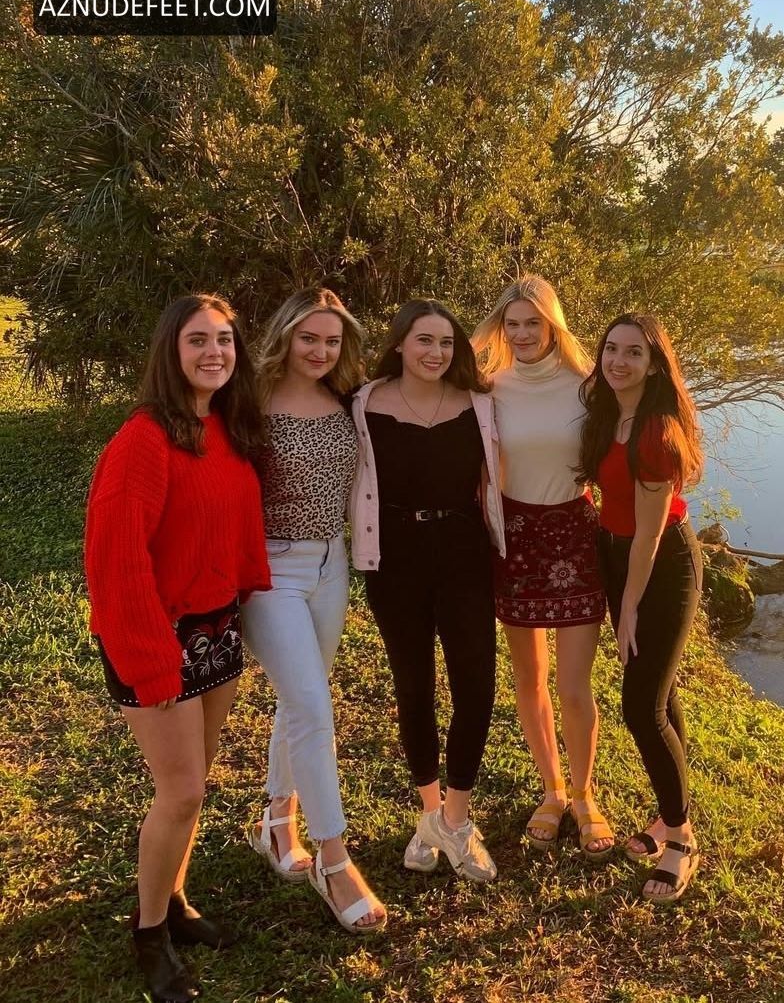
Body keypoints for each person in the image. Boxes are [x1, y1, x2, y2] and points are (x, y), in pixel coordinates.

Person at [85, 294, 271, 1003]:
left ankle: (176, 898)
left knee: (197, 782)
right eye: (198, 340)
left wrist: (242, 589)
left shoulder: (222, 428)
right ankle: (149, 933)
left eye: (224, 339)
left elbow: (231, 517)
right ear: (171, 350)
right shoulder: (143, 440)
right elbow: (116, 562)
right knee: (182, 790)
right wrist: (152, 662)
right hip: (156, 638)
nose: (214, 352)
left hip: (215, 629)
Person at [241, 286, 386, 933]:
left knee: (302, 699)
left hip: (332, 564)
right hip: (270, 569)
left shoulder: (347, 397)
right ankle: (334, 858)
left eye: (331, 340)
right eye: (309, 338)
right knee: (313, 708)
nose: (321, 350)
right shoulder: (248, 402)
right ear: (286, 335)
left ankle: (277, 820)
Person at [350, 299, 505, 882]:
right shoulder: (363, 403)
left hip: (465, 553)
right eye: (424, 340)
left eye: (446, 342)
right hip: (394, 559)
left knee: (476, 685)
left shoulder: (480, 403)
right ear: (399, 344)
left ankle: (454, 820)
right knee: (413, 686)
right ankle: (429, 813)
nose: (436, 352)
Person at [472, 276, 613, 859]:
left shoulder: (589, 386)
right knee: (529, 679)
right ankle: (552, 791)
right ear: (502, 328)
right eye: (513, 324)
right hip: (516, 536)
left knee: (574, 685)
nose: (524, 334)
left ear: (553, 325)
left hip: (574, 535)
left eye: (534, 323)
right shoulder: (489, 388)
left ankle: (584, 795)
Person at [577, 313, 705, 904]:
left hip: (661, 565)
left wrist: (627, 607)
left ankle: (681, 838)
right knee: (660, 690)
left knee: (641, 706)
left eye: (634, 352)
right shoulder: (608, 413)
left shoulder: (655, 432)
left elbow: (650, 534)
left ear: (655, 365)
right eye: (611, 349)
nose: (618, 361)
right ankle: (668, 815)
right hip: (616, 554)